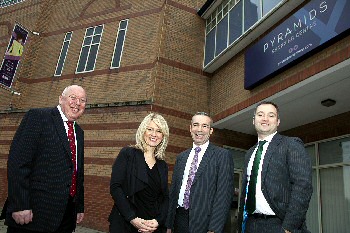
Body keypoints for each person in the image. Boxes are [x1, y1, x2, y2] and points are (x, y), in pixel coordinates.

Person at [2, 85, 87, 233]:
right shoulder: (39, 117)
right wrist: (20, 204)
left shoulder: (79, 132)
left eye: (82, 100)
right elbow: (18, 162)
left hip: (65, 216)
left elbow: (77, 172)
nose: (77, 103)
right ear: (61, 99)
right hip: (33, 215)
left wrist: (78, 206)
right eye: (72, 97)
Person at [238, 101, 313, 233]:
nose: (265, 118)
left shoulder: (291, 144)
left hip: (279, 225)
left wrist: (289, 227)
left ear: (278, 122)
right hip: (250, 224)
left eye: (271, 115)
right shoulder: (249, 153)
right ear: (254, 120)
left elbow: (303, 186)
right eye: (260, 114)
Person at [166, 112, 234, 233]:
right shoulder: (181, 157)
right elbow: (174, 192)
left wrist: (214, 228)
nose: (199, 130)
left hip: (205, 222)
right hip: (179, 220)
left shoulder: (222, 155)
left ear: (211, 130)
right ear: (190, 128)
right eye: (196, 125)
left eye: (204, 126)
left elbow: (224, 195)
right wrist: (169, 224)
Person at [108, 113, 170, 233]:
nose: (154, 134)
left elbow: (165, 198)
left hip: (153, 227)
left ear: (163, 136)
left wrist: (158, 221)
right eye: (150, 129)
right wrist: (132, 218)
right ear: (143, 131)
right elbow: (115, 188)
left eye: (158, 131)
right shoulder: (128, 154)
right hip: (126, 224)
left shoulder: (162, 165)